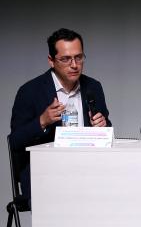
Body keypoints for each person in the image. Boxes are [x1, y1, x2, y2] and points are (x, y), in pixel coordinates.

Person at [9, 28, 111, 201]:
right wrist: (42, 121)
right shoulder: (30, 91)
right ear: (51, 61)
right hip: (45, 175)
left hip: (88, 171)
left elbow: (107, 132)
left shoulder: (93, 87)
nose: (74, 65)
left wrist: (103, 126)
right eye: (65, 59)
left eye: (78, 57)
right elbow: (15, 141)